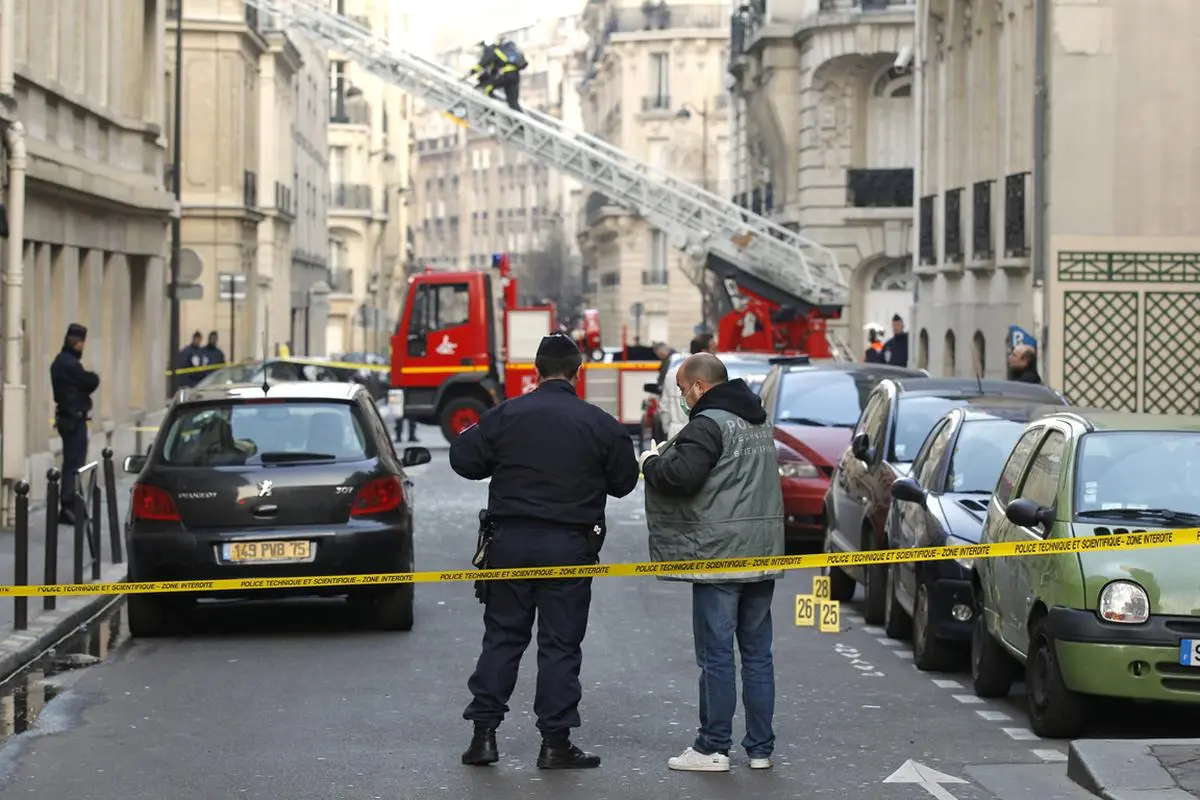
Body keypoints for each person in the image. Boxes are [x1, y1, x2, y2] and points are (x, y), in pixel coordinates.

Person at [449, 332, 640, 770]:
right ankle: (554, 743)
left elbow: (464, 458)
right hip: (569, 546)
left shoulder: (506, 415)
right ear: (578, 371)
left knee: (502, 636)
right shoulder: (600, 424)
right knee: (560, 645)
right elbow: (624, 481)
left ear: (536, 371)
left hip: (509, 544)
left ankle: (483, 737)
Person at [639, 353, 785, 772]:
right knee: (758, 655)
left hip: (720, 556)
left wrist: (650, 463)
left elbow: (681, 477)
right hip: (761, 553)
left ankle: (712, 748)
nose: (683, 397)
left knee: (717, 655)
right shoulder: (758, 420)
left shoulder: (708, 425)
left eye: (684, 389)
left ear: (700, 387)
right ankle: (760, 750)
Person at [50, 323, 100, 526]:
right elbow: (89, 381)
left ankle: (70, 505)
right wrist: (93, 377)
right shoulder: (70, 364)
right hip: (73, 419)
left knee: (71, 463)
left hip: (67, 417)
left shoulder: (59, 362)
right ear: (78, 343)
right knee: (74, 464)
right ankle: (69, 505)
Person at [469, 37, 526, 112]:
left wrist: (471, 72)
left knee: (486, 88)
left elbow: (482, 64)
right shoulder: (504, 50)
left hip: (506, 75)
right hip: (515, 75)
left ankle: (487, 110)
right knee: (512, 102)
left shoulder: (491, 50)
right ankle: (520, 122)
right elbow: (493, 70)